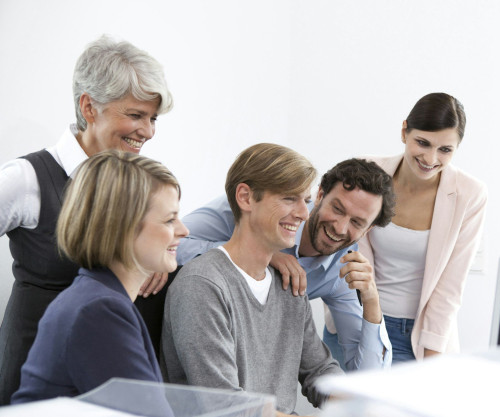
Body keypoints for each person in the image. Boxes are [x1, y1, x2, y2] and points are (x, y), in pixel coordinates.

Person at [0, 35, 173, 404]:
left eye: (153, 118)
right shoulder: (25, 178)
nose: (148, 131)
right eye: (135, 115)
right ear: (89, 107)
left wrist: (157, 256)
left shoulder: (139, 183)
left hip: (104, 380)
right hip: (36, 376)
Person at [161, 143, 344, 415]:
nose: (304, 214)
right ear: (245, 197)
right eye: (289, 198)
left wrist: (356, 404)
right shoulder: (202, 284)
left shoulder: (289, 285)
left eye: (304, 201)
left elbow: (319, 370)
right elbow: (225, 406)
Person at [176, 157, 396, 371]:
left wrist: (371, 301)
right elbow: (172, 244)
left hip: (258, 362)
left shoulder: (343, 270)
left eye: (357, 222)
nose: (340, 228)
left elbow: (367, 375)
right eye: (337, 209)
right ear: (320, 195)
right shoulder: (255, 205)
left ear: (368, 230)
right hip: (199, 331)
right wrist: (262, 252)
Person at [11, 150, 188, 403]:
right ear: (123, 228)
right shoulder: (99, 311)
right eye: (170, 220)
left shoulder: (98, 299)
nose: (184, 230)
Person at [357, 92, 487, 363]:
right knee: (345, 407)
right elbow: (320, 219)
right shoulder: (367, 171)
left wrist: (430, 360)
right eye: (423, 143)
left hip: (416, 337)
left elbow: (450, 287)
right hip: (357, 321)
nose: (430, 158)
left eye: (445, 149)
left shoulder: (469, 195)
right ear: (404, 131)